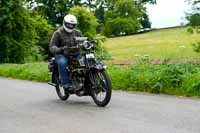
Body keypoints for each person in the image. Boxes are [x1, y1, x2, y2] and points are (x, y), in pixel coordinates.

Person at [49, 14, 82, 90]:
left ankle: (89, 81)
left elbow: (83, 41)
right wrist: (60, 49)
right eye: (69, 24)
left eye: (72, 25)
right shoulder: (58, 33)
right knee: (62, 63)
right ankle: (65, 84)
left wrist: (87, 43)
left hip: (76, 54)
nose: (70, 26)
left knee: (87, 61)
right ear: (64, 23)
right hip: (62, 55)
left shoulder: (77, 32)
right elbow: (52, 46)